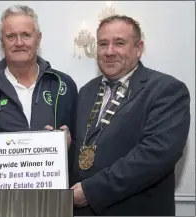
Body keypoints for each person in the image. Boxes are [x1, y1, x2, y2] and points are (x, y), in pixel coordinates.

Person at [71, 15, 190, 216]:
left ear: (139, 48)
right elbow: (90, 148)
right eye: (102, 44)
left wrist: (91, 191)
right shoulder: (86, 92)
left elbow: (155, 156)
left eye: (119, 43)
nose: (109, 51)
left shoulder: (166, 90)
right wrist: (66, 144)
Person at [0, 5, 78, 183]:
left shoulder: (63, 85)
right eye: (11, 36)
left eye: (26, 35)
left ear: (38, 39)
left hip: (52, 200)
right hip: (0, 201)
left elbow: (81, 145)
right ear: (2, 42)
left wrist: (69, 144)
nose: (19, 43)